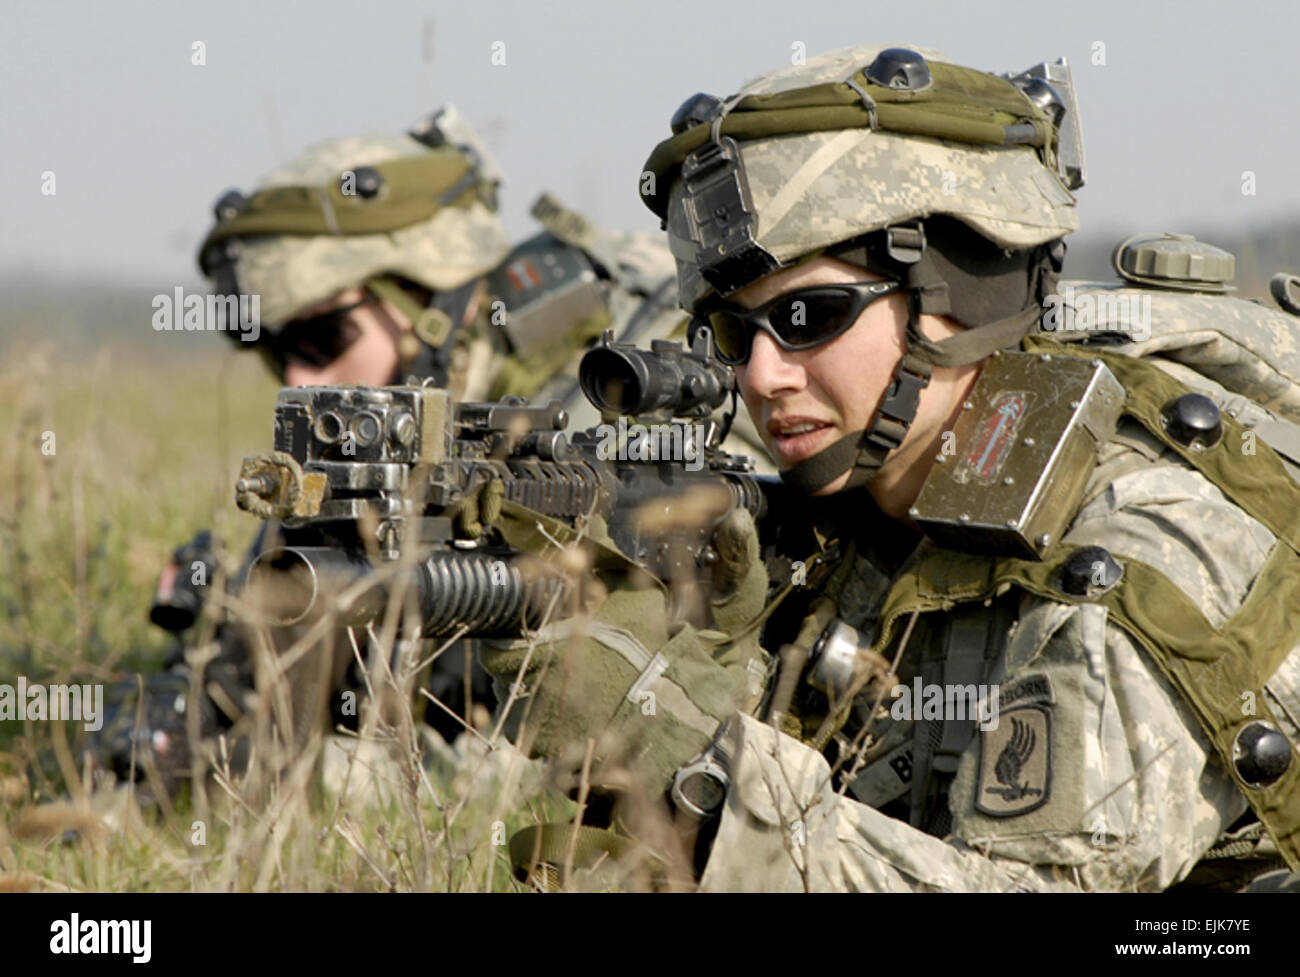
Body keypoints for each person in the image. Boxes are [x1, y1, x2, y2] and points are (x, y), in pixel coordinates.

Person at [484, 44, 1300, 892]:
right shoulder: (882, 512)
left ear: (954, 296)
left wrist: (671, 739)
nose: (762, 376)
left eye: (809, 316)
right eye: (735, 334)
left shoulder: (1136, 537)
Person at [96, 106, 769, 796]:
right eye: (277, 352)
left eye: (325, 338)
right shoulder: (374, 456)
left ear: (433, 303)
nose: (300, 380)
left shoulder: (625, 391)